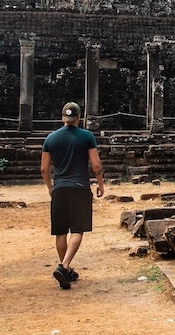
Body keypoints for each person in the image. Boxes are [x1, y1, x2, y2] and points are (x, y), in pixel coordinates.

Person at [40, 102, 104, 289]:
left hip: (59, 187)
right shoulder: (86, 136)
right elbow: (96, 165)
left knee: (60, 231)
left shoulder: (51, 138)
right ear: (79, 118)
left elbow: (44, 168)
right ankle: (65, 265)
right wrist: (100, 184)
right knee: (77, 229)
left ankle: (65, 271)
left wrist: (51, 187)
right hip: (79, 187)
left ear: (63, 118)